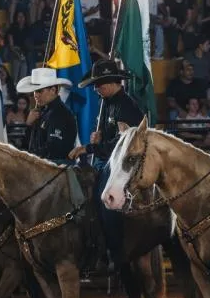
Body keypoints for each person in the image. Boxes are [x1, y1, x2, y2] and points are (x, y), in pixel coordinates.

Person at [67, 59, 143, 269]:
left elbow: (122, 144)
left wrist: (89, 148)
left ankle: (115, 249)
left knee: (105, 199)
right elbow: (110, 138)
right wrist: (100, 138)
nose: (96, 89)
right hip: (106, 160)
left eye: (98, 84)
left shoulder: (127, 106)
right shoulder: (107, 104)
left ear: (110, 83)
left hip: (122, 164)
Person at [16, 67, 76, 165]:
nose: (35, 95)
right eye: (34, 91)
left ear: (53, 90)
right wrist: (28, 125)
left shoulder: (59, 113)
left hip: (55, 170)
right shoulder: (42, 111)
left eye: (39, 91)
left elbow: (54, 150)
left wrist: (28, 157)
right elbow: (28, 145)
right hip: (43, 168)